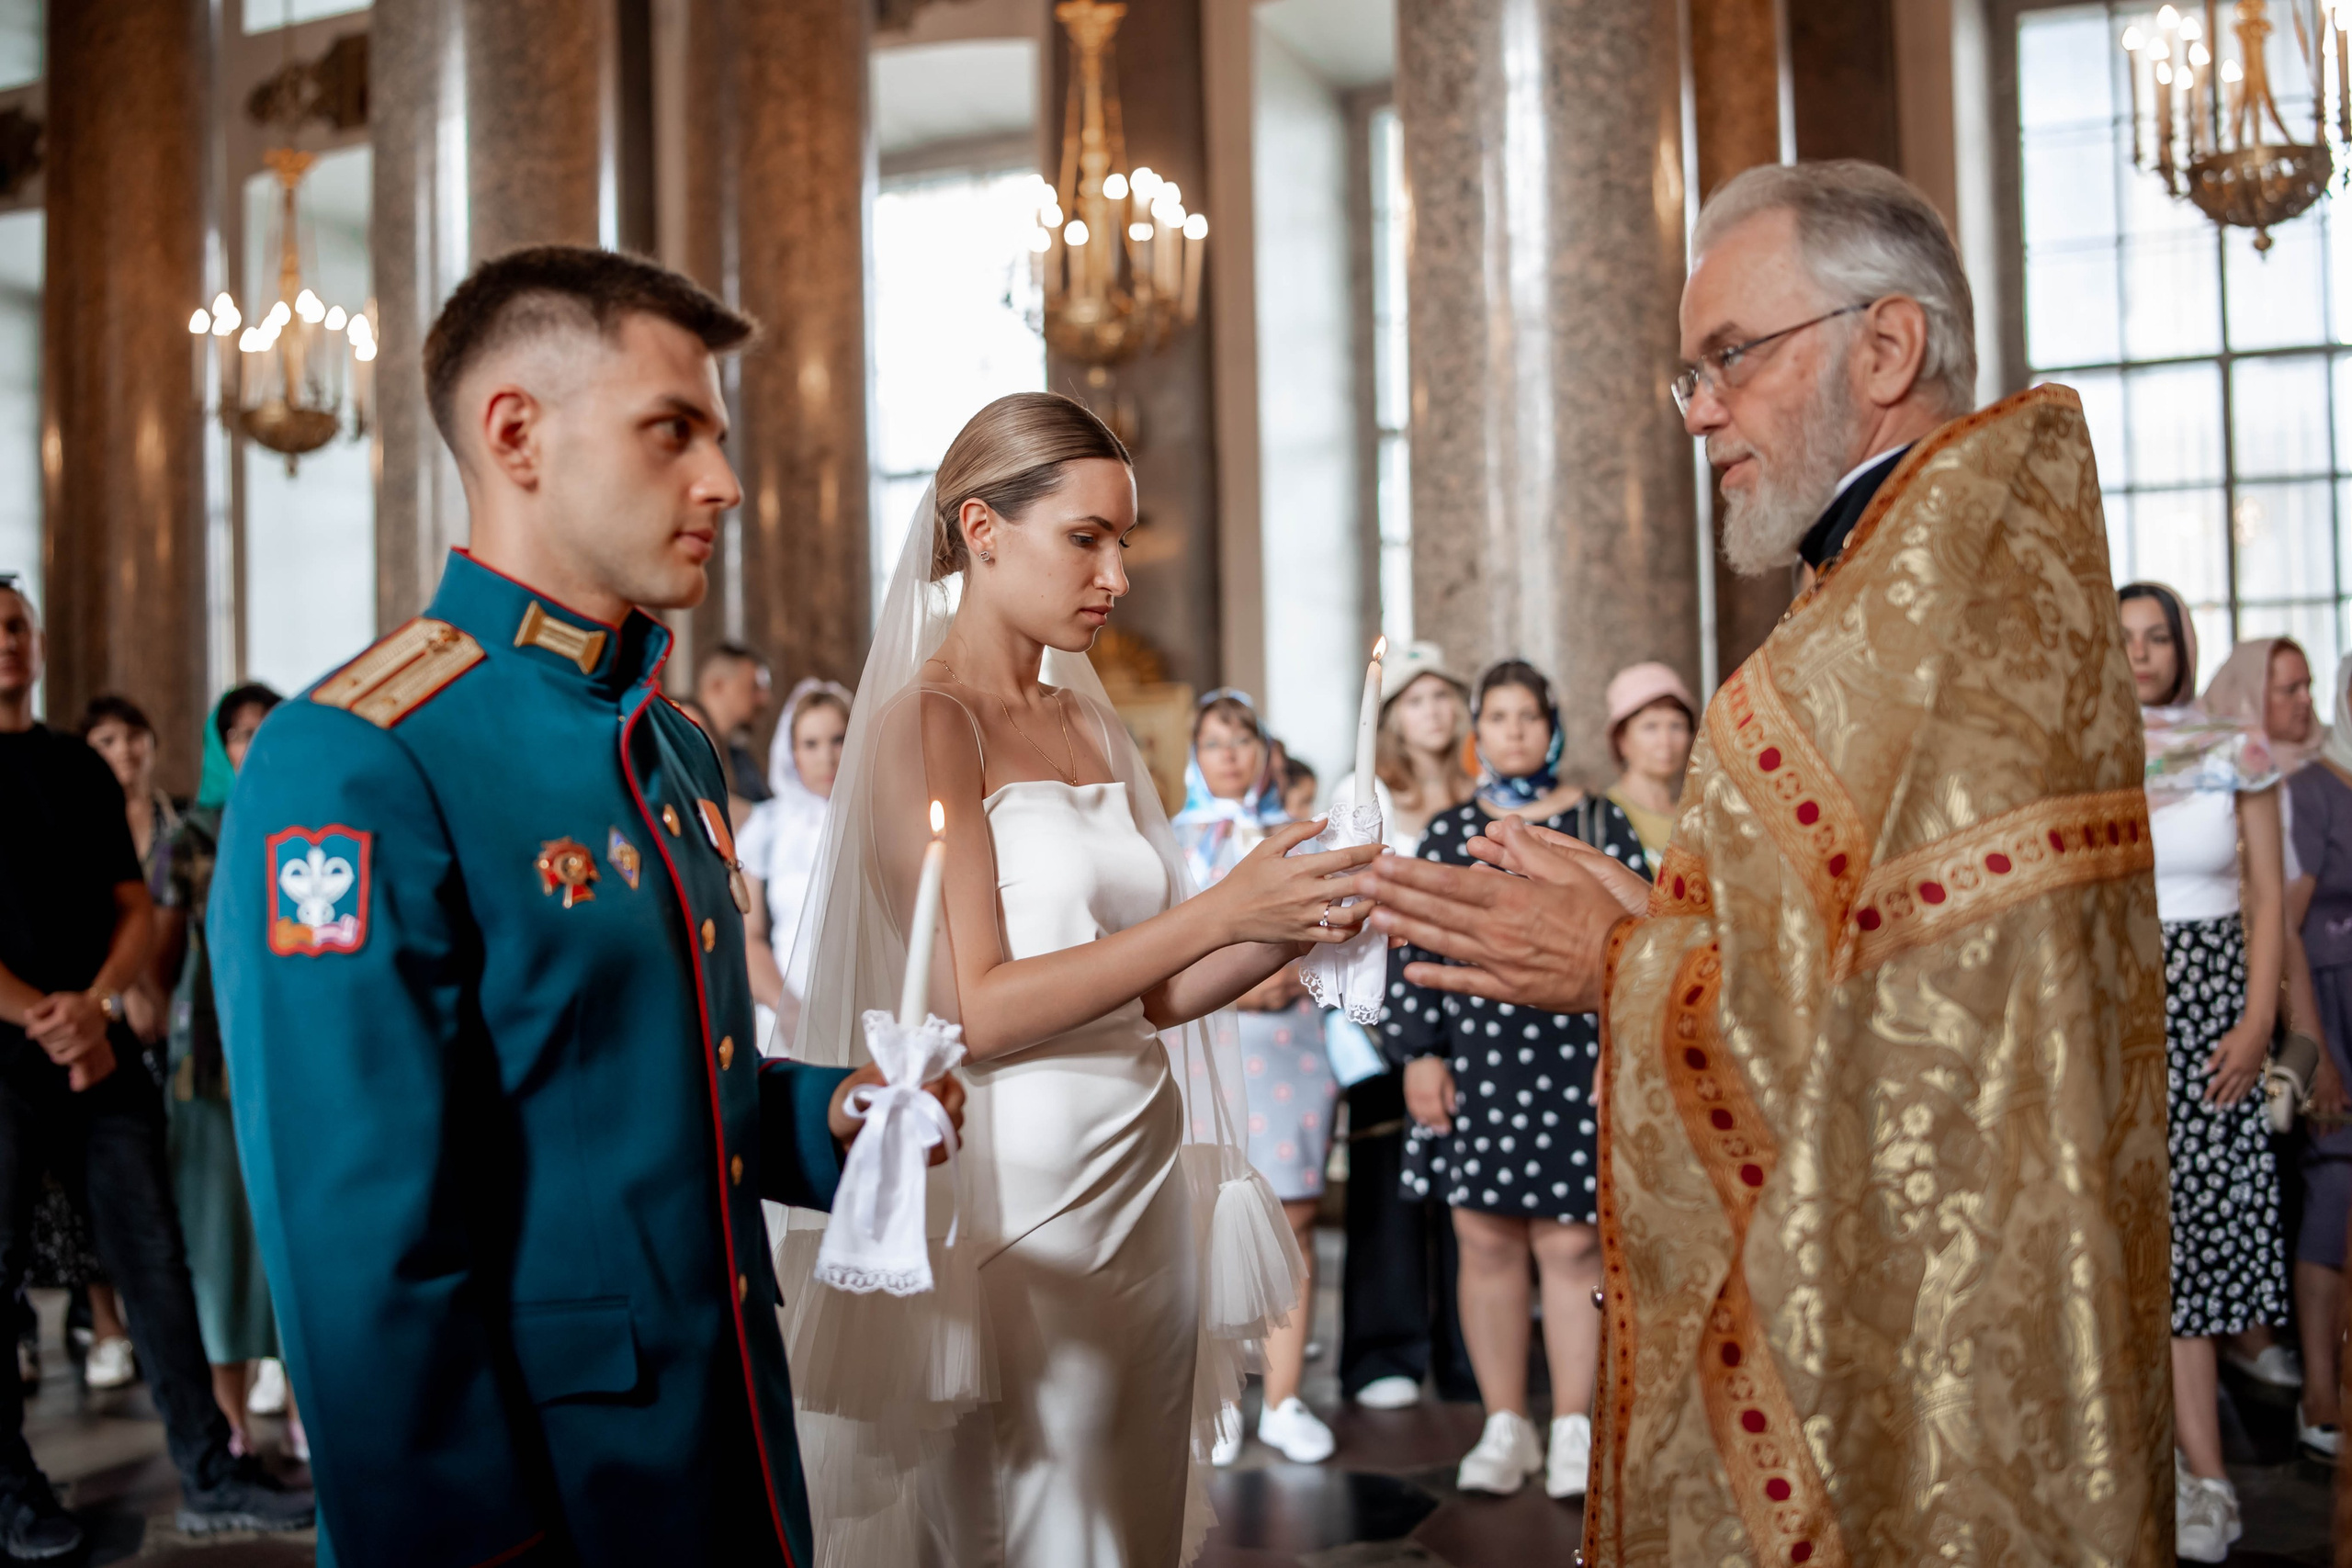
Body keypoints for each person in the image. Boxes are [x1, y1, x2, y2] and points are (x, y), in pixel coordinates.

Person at [1354, 161, 2172, 1562]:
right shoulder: (1886, 591)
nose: (1703, 410)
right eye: (1690, 375)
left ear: (1888, 344)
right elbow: (1850, 957)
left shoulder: (1948, 624)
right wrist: (1665, 913)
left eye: (1728, 357)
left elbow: (1940, 1067)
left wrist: (1622, 966)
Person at [209, 245, 954, 1567]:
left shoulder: (665, 741)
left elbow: (638, 1088)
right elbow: (358, 1251)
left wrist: (825, 1112)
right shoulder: (357, 757)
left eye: (718, 436)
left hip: (722, 1438)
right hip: (542, 1495)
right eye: (672, 430)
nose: (722, 480)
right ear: (518, 434)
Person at [776, 390, 1378, 1566]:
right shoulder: (921, 727)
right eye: (1085, 537)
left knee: (1136, 1515)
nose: (1116, 573)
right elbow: (975, 1005)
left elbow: (1155, 993)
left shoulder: (1092, 729)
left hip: (1138, 1175)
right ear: (982, 529)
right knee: (1043, 1528)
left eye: (1125, 542)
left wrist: (1302, 918)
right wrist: (1220, 905)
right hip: (1016, 1195)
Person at [0, 580, 312, 1557]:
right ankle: (12, 1496)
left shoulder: (76, 769)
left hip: (101, 1049)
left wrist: (93, 1008)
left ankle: (212, 1473)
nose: (4, 643)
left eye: (15, 626)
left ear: (40, 641)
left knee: (155, 1262)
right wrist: (45, 1019)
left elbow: (134, 907)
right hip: (7, 1054)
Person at [1388, 660, 1646, 1500]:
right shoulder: (1451, 830)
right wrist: (1421, 1052)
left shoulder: (1600, 821)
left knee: (1572, 1245)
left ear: (1553, 725)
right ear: (1479, 732)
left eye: (1527, 716)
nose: (1513, 731)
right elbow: (1416, 943)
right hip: (1482, 1056)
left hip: (1577, 1050)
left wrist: (1626, 1048)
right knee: (1487, 1240)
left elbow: (1648, 939)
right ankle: (1505, 1424)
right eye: (1496, 717)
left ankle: (1574, 1424)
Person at [2119, 582, 2291, 1560]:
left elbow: (2267, 893)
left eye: (2156, 635)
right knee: (2131, 1246)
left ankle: (2207, 1478)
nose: (2139, 652)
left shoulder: (2235, 746)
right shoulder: (2076, 747)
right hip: (2114, 1010)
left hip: (2211, 1003)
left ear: (2183, 645)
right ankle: (2149, 1469)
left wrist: (2258, 1016)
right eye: (2121, 637)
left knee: (2199, 1248)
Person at [1173, 691, 1340, 1467]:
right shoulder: (1172, 840)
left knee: (1291, 1219)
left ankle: (1284, 1396)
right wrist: (1236, 985)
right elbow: (1163, 944)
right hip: (1207, 1040)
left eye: (1244, 739)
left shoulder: (1300, 838)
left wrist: (1297, 972)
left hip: (1288, 1046)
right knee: (1209, 1223)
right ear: (1195, 756)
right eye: (1214, 741)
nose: (1231, 754)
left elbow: (1337, 934)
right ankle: (1217, 1397)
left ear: (1267, 751)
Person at [1334, 642, 1479, 1414]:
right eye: (1417, 699)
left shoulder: (1486, 792)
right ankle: (1384, 1346)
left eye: (1444, 698)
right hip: (1384, 1007)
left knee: (1470, 1184)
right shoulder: (1363, 793)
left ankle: (1468, 1347)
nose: (1435, 711)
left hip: (1470, 1007)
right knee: (1386, 1177)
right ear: (1390, 719)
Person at [149, 683, 286, 1459]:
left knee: (289, 1239)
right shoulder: (190, 838)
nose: (253, 741)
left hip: (289, 1067)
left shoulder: (309, 827)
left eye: (268, 727)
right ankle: (229, 1415)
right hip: (205, 1074)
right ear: (218, 747)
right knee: (219, 1247)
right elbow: (162, 967)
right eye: (236, 732)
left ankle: (305, 1405)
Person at [2202, 635, 2325, 1398]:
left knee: (2281, 1156)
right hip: (2237, 985)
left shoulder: (2311, 779)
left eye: (2307, 686)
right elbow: (2267, 905)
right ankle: (2240, 1340)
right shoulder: (2217, 768)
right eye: (2286, 688)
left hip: (2281, 995)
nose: (2301, 702)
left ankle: (2254, 1335)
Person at [2287, 650, 2352, 1468]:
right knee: (2334, 1191)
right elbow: (2286, 925)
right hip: (2333, 1009)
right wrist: (2317, 1055)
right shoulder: (2314, 786)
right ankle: (2319, 1389)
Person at [741, 678, 851, 1049]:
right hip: (787, 1011)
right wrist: (788, 1009)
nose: (827, 757)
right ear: (792, 752)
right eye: (811, 744)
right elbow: (749, 935)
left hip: (864, 1005)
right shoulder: (767, 826)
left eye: (838, 739)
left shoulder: (879, 821)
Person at [1600, 661, 1696, 875]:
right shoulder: (1600, 818)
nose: (1666, 741)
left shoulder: (1699, 817)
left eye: (1676, 726)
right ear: (1622, 740)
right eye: (1650, 727)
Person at [695, 641, 775, 807]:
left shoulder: (742, 760)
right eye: (754, 688)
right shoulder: (682, 748)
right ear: (718, 685)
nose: (764, 700)